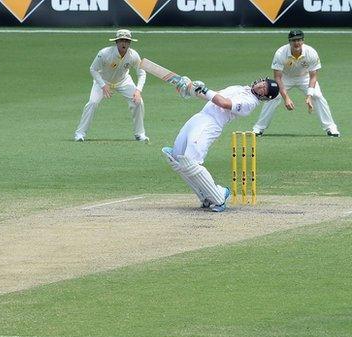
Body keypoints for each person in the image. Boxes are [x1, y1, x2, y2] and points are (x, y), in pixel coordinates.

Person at [162, 78, 279, 212]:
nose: (261, 86)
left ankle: (219, 196)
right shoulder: (239, 87)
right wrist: (191, 90)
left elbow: (223, 103)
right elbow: (213, 95)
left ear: (265, 96)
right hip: (200, 117)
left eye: (265, 89)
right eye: (263, 83)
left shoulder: (249, 104)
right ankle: (205, 197)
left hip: (211, 124)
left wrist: (204, 89)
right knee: (177, 157)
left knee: (190, 161)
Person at [252, 30, 339, 137]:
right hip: (285, 77)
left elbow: (313, 76)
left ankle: (331, 128)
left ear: (303, 41)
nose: (296, 43)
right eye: (294, 40)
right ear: (289, 42)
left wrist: (309, 96)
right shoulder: (280, 53)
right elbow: (277, 78)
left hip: (305, 77)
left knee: (318, 96)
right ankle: (258, 128)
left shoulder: (311, 52)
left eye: (299, 40)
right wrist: (286, 98)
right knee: (273, 96)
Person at [74, 29, 148, 143]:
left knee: (138, 102)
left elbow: (142, 73)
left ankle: (140, 134)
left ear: (130, 43)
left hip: (124, 81)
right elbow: (93, 69)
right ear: (116, 42)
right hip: (103, 81)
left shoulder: (134, 55)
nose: (124, 43)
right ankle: (80, 133)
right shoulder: (104, 53)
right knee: (93, 103)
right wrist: (103, 85)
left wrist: (138, 91)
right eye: (121, 40)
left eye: (126, 41)